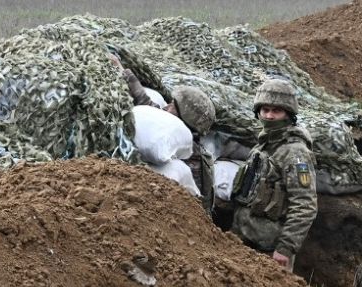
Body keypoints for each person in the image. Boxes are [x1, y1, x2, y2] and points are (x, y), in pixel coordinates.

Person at [230, 79, 317, 271]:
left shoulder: (295, 152)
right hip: (242, 239)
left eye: (276, 111)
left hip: (270, 251)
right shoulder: (263, 145)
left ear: (288, 114)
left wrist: (285, 248)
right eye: (265, 110)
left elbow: (305, 205)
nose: (269, 116)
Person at [114, 55, 217, 213]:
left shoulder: (189, 158)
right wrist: (120, 68)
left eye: (173, 106)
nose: (167, 106)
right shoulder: (171, 134)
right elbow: (145, 102)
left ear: (183, 121)